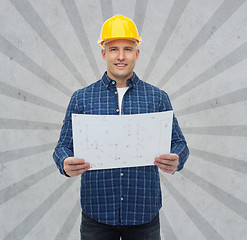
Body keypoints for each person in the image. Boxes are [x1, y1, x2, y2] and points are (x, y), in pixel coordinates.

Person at [53, 14, 189, 240]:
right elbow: (62, 147)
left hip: (143, 213)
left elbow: (180, 143)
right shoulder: (82, 98)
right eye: (113, 48)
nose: (121, 56)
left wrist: (177, 158)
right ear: (103, 53)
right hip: (97, 213)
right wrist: (65, 162)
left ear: (137, 53)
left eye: (127, 48)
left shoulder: (156, 98)